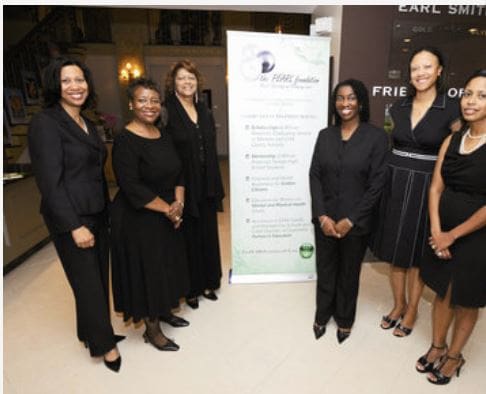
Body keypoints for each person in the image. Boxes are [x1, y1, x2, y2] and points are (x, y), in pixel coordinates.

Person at [28, 57, 123, 372]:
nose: (75, 86)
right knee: (88, 284)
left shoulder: (87, 122)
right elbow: (50, 183)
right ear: (55, 85)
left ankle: (90, 332)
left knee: (97, 277)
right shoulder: (46, 123)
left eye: (80, 80)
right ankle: (105, 346)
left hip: (97, 211)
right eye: (67, 80)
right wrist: (74, 226)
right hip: (72, 218)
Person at [372, 47, 461, 337]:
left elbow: (458, 152)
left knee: (415, 254)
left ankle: (412, 310)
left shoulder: (451, 108)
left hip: (427, 187)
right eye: (414, 68)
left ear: (439, 71)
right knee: (395, 252)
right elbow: (389, 142)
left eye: (427, 67)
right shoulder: (397, 107)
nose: (420, 73)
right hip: (395, 183)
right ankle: (398, 305)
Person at [416, 69, 486, 385]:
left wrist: (452, 235)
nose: (471, 101)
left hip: (476, 237)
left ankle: (455, 356)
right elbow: (435, 188)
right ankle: (437, 346)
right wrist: (435, 229)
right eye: (469, 93)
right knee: (442, 294)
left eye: (482, 96)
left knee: (466, 299)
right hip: (441, 231)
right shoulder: (452, 139)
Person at [110, 78, 190, 351]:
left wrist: (178, 203)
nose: (149, 105)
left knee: (167, 265)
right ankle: (152, 330)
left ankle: (165, 311)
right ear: (131, 104)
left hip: (167, 213)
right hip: (138, 218)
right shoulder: (124, 140)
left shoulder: (162, 134)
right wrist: (168, 209)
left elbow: (179, 171)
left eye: (154, 100)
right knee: (149, 272)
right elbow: (131, 186)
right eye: (142, 100)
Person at [310, 79, 388, 343]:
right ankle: (322, 314)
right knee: (326, 268)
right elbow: (315, 175)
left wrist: (352, 220)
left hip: (356, 222)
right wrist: (322, 216)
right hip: (325, 221)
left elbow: (377, 184)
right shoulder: (325, 135)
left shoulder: (376, 137)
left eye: (351, 98)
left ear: (361, 102)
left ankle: (345, 319)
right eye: (340, 98)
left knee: (349, 272)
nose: (345, 103)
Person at [164, 60, 225, 309]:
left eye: (191, 77)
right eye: (181, 78)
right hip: (182, 184)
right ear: (173, 83)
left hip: (207, 182)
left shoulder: (204, 109)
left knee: (207, 233)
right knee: (187, 237)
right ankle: (190, 288)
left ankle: (209, 281)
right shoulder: (167, 110)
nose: (187, 82)